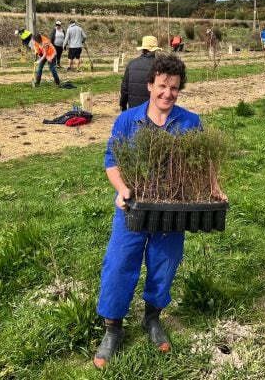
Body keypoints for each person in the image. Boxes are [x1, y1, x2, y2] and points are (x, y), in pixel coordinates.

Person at [94, 54, 225, 369]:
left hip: (174, 208)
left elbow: (205, 162)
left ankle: (152, 318)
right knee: (120, 263)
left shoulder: (190, 121)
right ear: (150, 85)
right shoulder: (128, 120)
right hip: (133, 207)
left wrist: (214, 187)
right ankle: (113, 328)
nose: (168, 93)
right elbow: (111, 161)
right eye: (163, 86)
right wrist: (123, 190)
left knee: (164, 263)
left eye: (175, 88)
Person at [119, 36, 160, 111]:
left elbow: (124, 89)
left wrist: (123, 105)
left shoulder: (131, 64)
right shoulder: (160, 65)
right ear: (155, 49)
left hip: (134, 110)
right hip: (153, 110)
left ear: (143, 49)